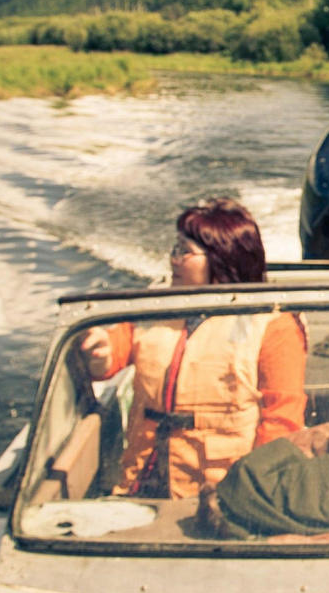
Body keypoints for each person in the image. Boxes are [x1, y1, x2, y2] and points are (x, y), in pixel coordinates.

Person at [80, 197, 307, 499]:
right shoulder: (152, 311)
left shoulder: (273, 326)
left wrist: (254, 491)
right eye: (175, 250)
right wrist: (99, 352)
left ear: (221, 258)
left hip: (224, 491)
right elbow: (110, 357)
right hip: (143, 477)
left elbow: (282, 419)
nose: (174, 260)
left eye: (184, 252)